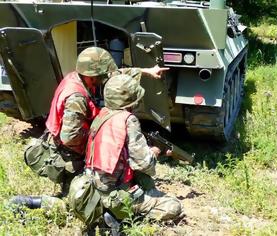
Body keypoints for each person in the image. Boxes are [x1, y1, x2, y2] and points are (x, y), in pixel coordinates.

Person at [11, 46, 169, 209]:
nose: (105, 78)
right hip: (66, 155)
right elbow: (70, 138)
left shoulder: (78, 76)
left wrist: (147, 71)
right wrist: (98, 139)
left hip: (66, 148)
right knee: (86, 201)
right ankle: (33, 202)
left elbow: (114, 76)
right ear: (92, 75)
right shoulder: (76, 98)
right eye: (101, 75)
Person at [69, 74, 183, 233]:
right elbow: (144, 164)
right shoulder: (128, 120)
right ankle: (118, 215)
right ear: (131, 100)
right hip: (113, 193)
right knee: (173, 206)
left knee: (143, 180)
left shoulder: (102, 114)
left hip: (91, 186)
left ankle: (108, 212)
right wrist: (158, 151)